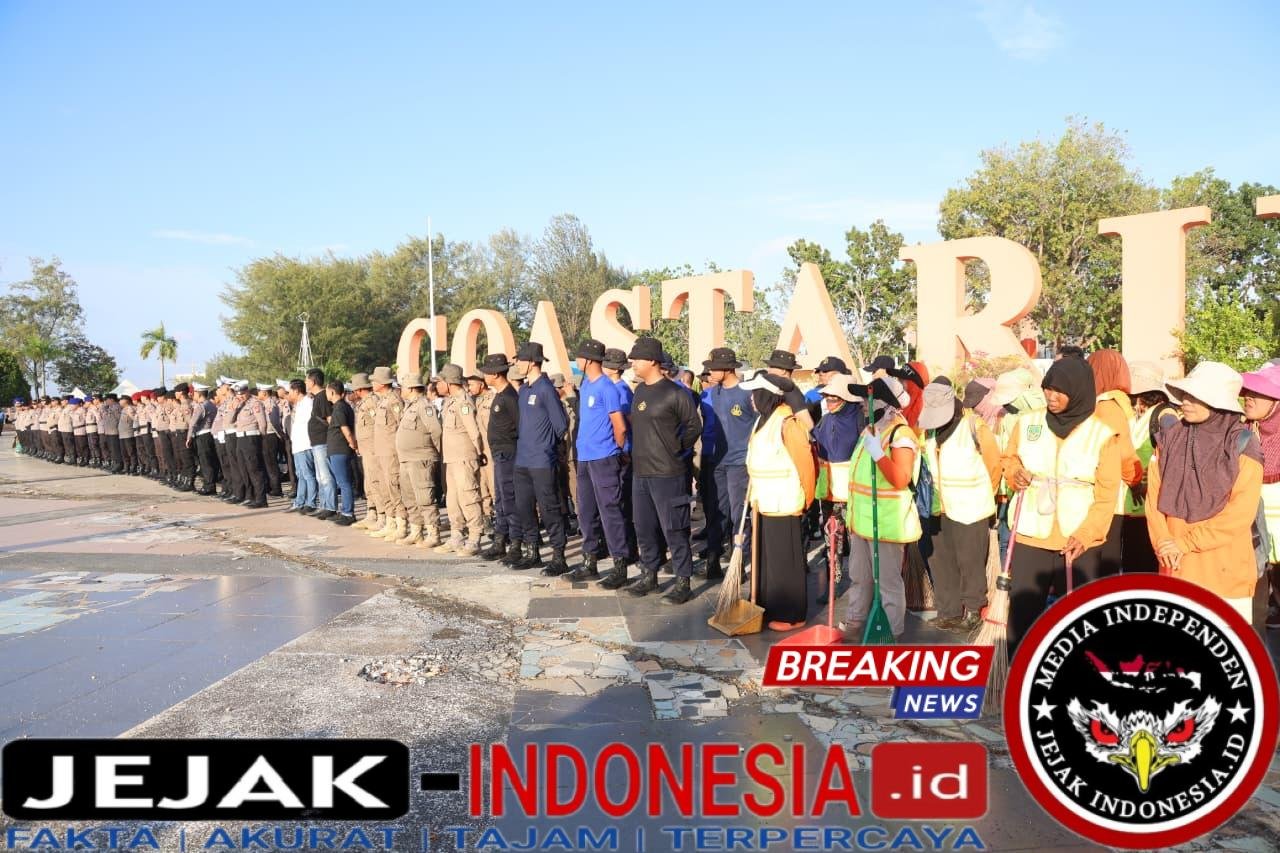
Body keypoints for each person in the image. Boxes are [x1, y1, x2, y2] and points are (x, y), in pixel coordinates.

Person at [1002, 358, 1122, 652]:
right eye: (1047, 389)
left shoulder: (1102, 434)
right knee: (1023, 614)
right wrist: (1014, 474)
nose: (1051, 397)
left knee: (1080, 618)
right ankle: (1019, 675)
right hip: (1032, 532)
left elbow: (1108, 493)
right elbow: (1009, 459)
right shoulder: (1028, 423)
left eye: (1059, 391)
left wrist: (1087, 534)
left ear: (1079, 391)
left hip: (1078, 539)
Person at [1146, 362, 1264, 623]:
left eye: (1195, 396)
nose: (1185, 401)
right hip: (1175, 568)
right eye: (1185, 394)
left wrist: (1182, 544)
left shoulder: (1242, 445)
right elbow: (1153, 499)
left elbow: (1239, 515)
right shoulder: (1169, 439)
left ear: (1218, 403)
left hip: (1225, 574)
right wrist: (1163, 543)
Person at [917, 378, 1002, 632]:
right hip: (938, 509)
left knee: (971, 562)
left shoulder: (975, 427)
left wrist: (988, 496)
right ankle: (949, 611)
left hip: (971, 509)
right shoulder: (929, 431)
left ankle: (974, 610)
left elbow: (994, 466)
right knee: (941, 561)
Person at [624, 336, 703, 604]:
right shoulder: (640, 391)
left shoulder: (676, 392)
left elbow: (694, 426)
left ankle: (683, 580)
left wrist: (677, 448)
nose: (632, 363)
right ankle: (650, 574)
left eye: (637, 359)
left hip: (668, 473)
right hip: (641, 472)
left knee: (674, 529)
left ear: (652, 361)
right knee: (644, 528)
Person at [841, 375, 918, 640]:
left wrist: (879, 455)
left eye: (867, 398)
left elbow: (900, 479)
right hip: (862, 521)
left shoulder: (900, 433)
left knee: (888, 584)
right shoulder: (870, 430)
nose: (862, 403)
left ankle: (890, 633)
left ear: (883, 402)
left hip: (886, 523)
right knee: (859, 577)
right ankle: (855, 623)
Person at [741, 371, 817, 630]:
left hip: (785, 501)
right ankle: (769, 605)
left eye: (755, 394)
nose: (751, 399)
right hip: (763, 501)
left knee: (785, 560)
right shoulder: (763, 420)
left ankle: (791, 614)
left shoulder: (788, 422)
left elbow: (805, 464)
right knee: (769, 559)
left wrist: (805, 499)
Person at [566, 339, 630, 583]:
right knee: (586, 511)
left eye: (580, 357)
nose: (578, 361)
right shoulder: (587, 385)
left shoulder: (607, 388)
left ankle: (619, 565)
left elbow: (620, 426)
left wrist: (617, 449)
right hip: (585, 457)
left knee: (610, 511)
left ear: (589, 360)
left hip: (604, 457)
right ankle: (589, 560)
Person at [509, 343, 569, 571]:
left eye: (520, 359)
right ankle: (532, 550)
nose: (517, 363)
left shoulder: (546, 389)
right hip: (522, 460)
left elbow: (561, 425)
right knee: (524, 507)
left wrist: (547, 447)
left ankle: (558, 556)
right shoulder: (524, 390)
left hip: (542, 461)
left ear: (532, 361)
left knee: (549, 508)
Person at [1087, 349, 1144, 576]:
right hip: (1111, 494)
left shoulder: (1090, 404)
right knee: (1106, 560)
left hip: (1087, 489)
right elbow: (1124, 454)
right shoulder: (1111, 407)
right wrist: (1136, 480)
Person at [699, 347, 754, 582]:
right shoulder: (713, 393)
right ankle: (713, 560)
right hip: (716, 461)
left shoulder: (746, 393)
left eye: (714, 368)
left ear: (729, 368)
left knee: (738, 514)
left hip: (739, 463)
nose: (709, 372)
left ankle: (738, 562)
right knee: (716, 512)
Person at [811, 374, 866, 602]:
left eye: (834, 398)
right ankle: (833, 584)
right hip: (830, 491)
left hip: (854, 493)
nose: (829, 402)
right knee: (832, 538)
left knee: (857, 542)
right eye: (827, 398)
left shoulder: (860, 421)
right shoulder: (826, 420)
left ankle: (862, 587)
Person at [1240, 362, 1280, 631]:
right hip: (1253, 529)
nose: (1249, 397)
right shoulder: (1242, 432)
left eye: (1259, 392)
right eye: (1248, 391)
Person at [436, 364, 486, 556]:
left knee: (469, 497)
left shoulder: (463, 402)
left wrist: (479, 453)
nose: (437, 386)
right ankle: (457, 535)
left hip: (464, 458)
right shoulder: (450, 401)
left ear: (449, 383)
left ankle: (474, 537)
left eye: (440, 382)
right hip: (451, 458)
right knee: (453, 499)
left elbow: (474, 431)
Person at [480, 354, 521, 563]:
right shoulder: (499, 394)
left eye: (487, 371)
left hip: (509, 453)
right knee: (500, 500)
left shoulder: (509, 397)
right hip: (499, 454)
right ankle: (500, 540)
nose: (484, 375)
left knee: (509, 499)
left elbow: (520, 426)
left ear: (495, 373)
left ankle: (515, 543)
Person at [394, 373, 442, 546]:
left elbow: (435, 431)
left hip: (420, 459)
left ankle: (433, 533)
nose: (401, 390)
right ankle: (416, 531)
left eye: (403, 387)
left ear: (412, 388)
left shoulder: (424, 406)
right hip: (406, 459)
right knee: (410, 498)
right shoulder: (410, 406)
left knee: (425, 498)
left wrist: (436, 454)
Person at [368, 366, 406, 541]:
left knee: (394, 487)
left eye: (374, 380)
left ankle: (402, 524)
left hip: (391, 453)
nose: (372, 383)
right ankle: (390, 522)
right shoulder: (382, 400)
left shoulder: (394, 401)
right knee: (385, 488)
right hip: (381, 453)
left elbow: (400, 426)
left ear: (382, 383)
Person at [303, 369, 336, 520]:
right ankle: (324, 505)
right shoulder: (317, 397)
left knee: (326, 476)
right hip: (317, 442)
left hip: (323, 441)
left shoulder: (322, 396)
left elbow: (330, 419)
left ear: (313, 381)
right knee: (320, 476)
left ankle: (330, 506)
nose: (305, 383)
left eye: (307, 380)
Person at [230, 381, 269, 508]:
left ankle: (261, 498)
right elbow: (230, 420)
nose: (240, 396)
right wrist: (235, 407)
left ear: (247, 391)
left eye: (242, 394)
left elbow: (262, 422)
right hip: (240, 438)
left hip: (251, 437)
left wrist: (260, 437)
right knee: (244, 468)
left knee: (254, 469)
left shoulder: (255, 403)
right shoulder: (239, 404)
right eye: (238, 394)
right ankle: (251, 496)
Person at [350, 373, 381, 529]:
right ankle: (372, 513)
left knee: (375, 482)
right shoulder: (363, 403)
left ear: (359, 389)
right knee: (368, 483)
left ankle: (381, 515)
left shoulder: (372, 402)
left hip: (374, 449)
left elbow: (378, 425)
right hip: (366, 449)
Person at [325, 379, 358, 525]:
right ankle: (345, 510)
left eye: (327, 391)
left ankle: (348, 513)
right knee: (343, 482)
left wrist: (353, 443)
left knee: (344, 483)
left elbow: (345, 429)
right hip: (338, 449)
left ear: (332, 392)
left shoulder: (339, 408)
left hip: (340, 449)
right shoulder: (342, 407)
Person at [468, 373, 496, 535]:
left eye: (472, 384)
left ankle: (502, 520)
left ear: (482, 384)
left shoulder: (493, 400)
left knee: (495, 488)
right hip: (479, 452)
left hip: (491, 452)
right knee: (482, 487)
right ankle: (487, 519)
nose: (469, 387)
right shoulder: (476, 401)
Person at [287, 380, 317, 514]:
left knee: (308, 475)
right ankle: (299, 502)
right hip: (298, 445)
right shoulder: (299, 404)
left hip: (305, 444)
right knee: (301, 475)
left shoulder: (308, 403)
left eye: (290, 391)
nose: (289, 393)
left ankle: (310, 502)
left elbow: (310, 425)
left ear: (297, 391)